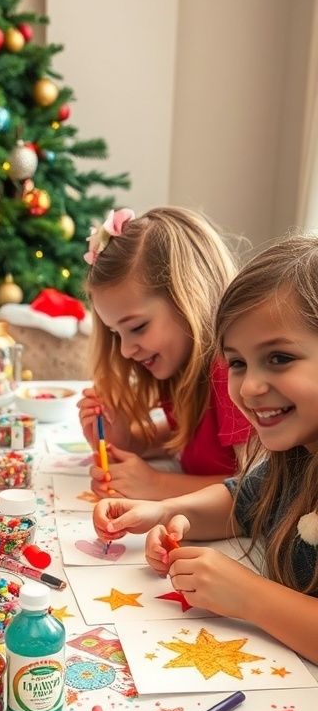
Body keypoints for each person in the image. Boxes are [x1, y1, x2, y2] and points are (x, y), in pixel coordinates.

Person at [92, 234, 318, 663]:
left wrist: (251, 597)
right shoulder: (298, 454)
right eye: (237, 363)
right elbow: (242, 498)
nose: (249, 387)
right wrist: (165, 512)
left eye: (279, 358)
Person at [78, 206, 252, 499]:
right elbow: (185, 439)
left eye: (137, 327)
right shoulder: (181, 369)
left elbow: (259, 491)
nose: (125, 350)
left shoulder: (229, 370)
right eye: (115, 333)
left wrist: (157, 485)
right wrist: (127, 439)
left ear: (189, 298)